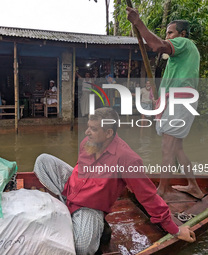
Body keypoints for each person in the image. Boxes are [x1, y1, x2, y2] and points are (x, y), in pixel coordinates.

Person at [34, 107, 196, 255]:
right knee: (43, 161)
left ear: (109, 133)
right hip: (73, 188)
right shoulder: (87, 143)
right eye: (88, 127)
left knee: (82, 247)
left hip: (90, 205)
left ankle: (89, 222)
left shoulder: (127, 159)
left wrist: (175, 230)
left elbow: (148, 197)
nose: (87, 132)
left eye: (93, 129)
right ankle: (70, 210)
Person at [126, 8, 204, 200]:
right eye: (167, 33)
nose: (168, 37)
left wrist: (138, 22)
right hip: (178, 98)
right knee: (177, 148)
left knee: (167, 147)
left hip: (181, 98)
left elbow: (157, 45)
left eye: (171, 33)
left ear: (182, 34)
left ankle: (162, 189)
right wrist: (159, 98)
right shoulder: (181, 55)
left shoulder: (184, 43)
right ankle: (194, 186)